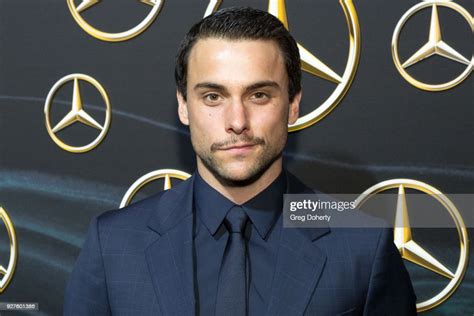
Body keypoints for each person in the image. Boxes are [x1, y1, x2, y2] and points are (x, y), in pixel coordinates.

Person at [64, 7, 417, 316]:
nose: (237, 120)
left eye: (259, 95)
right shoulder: (113, 245)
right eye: (213, 96)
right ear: (183, 106)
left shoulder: (361, 244)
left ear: (293, 105)